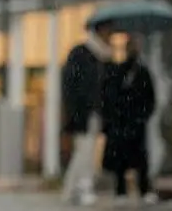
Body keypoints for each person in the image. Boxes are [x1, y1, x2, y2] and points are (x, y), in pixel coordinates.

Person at [61, 20, 114, 206]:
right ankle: (82, 187)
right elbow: (71, 85)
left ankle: (71, 189)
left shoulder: (105, 58)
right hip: (82, 113)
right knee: (84, 152)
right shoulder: (81, 54)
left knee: (87, 152)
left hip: (96, 114)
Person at [102, 35, 157, 205]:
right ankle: (121, 191)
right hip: (122, 122)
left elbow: (150, 98)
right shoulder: (118, 71)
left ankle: (144, 189)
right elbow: (110, 96)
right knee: (122, 158)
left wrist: (143, 115)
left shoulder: (143, 72)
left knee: (140, 159)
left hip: (136, 122)